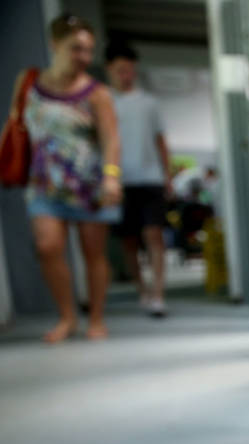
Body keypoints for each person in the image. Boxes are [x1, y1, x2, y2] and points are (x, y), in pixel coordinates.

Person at [12, 13, 121, 341]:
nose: (84, 57)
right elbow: (16, 123)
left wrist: (111, 177)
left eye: (88, 50)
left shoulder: (97, 93)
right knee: (48, 247)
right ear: (55, 44)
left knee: (94, 253)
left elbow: (111, 138)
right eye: (76, 49)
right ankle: (67, 316)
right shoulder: (28, 82)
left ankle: (96, 317)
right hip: (44, 183)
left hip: (88, 185)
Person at [105, 41, 172, 317]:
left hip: (151, 178)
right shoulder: (103, 102)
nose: (126, 75)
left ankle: (158, 294)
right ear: (110, 70)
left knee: (154, 233)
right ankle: (141, 288)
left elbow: (160, 141)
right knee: (129, 241)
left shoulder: (149, 103)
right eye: (120, 70)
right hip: (119, 180)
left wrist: (167, 176)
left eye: (130, 70)